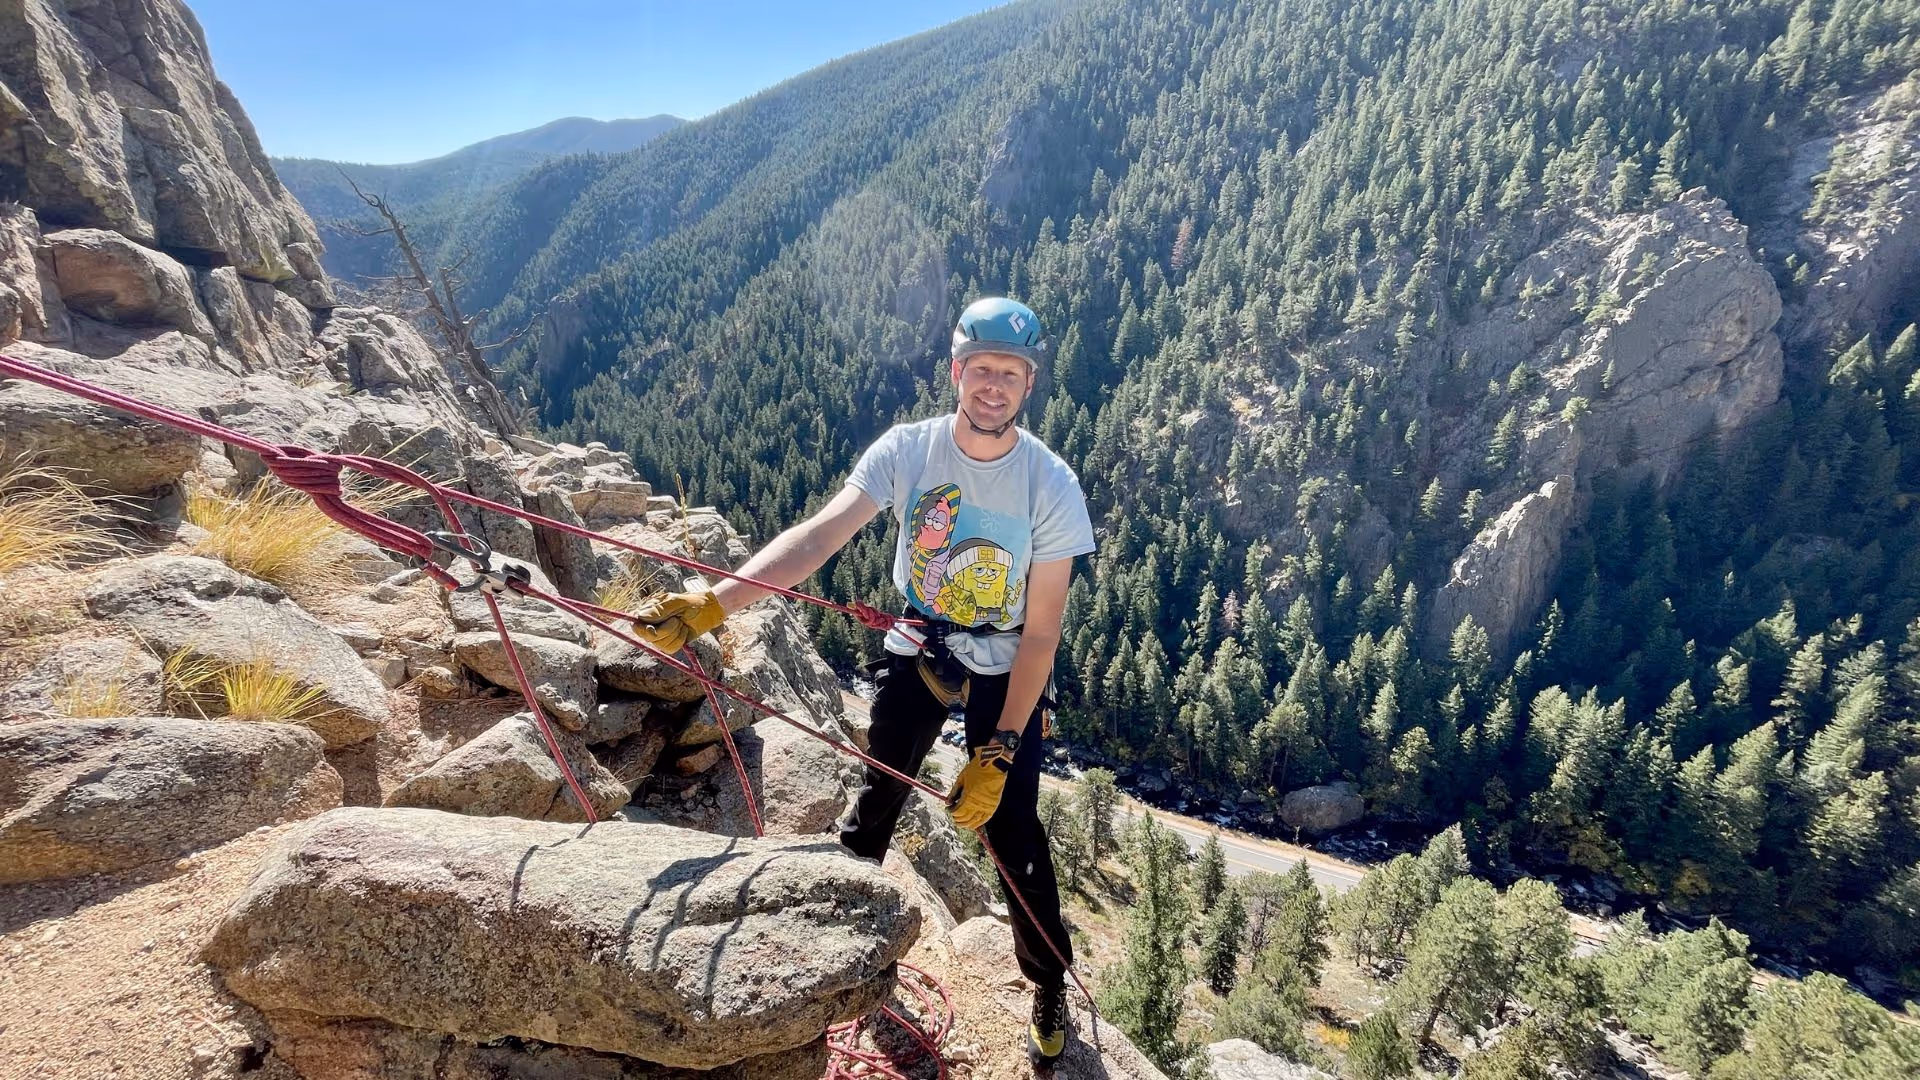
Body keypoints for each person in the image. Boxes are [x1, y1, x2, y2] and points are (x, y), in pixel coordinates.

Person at [629, 296, 1095, 1067]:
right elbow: (818, 537)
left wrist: (1002, 748)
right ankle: (839, 934)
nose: (994, 385)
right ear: (956, 372)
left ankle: (1047, 981)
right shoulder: (909, 451)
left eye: (1010, 374)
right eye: (981, 369)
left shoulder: (1050, 483)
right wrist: (714, 602)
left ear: (1029, 384)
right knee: (882, 787)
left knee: (1012, 829)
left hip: (1008, 654)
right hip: (923, 633)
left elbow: (1042, 632)